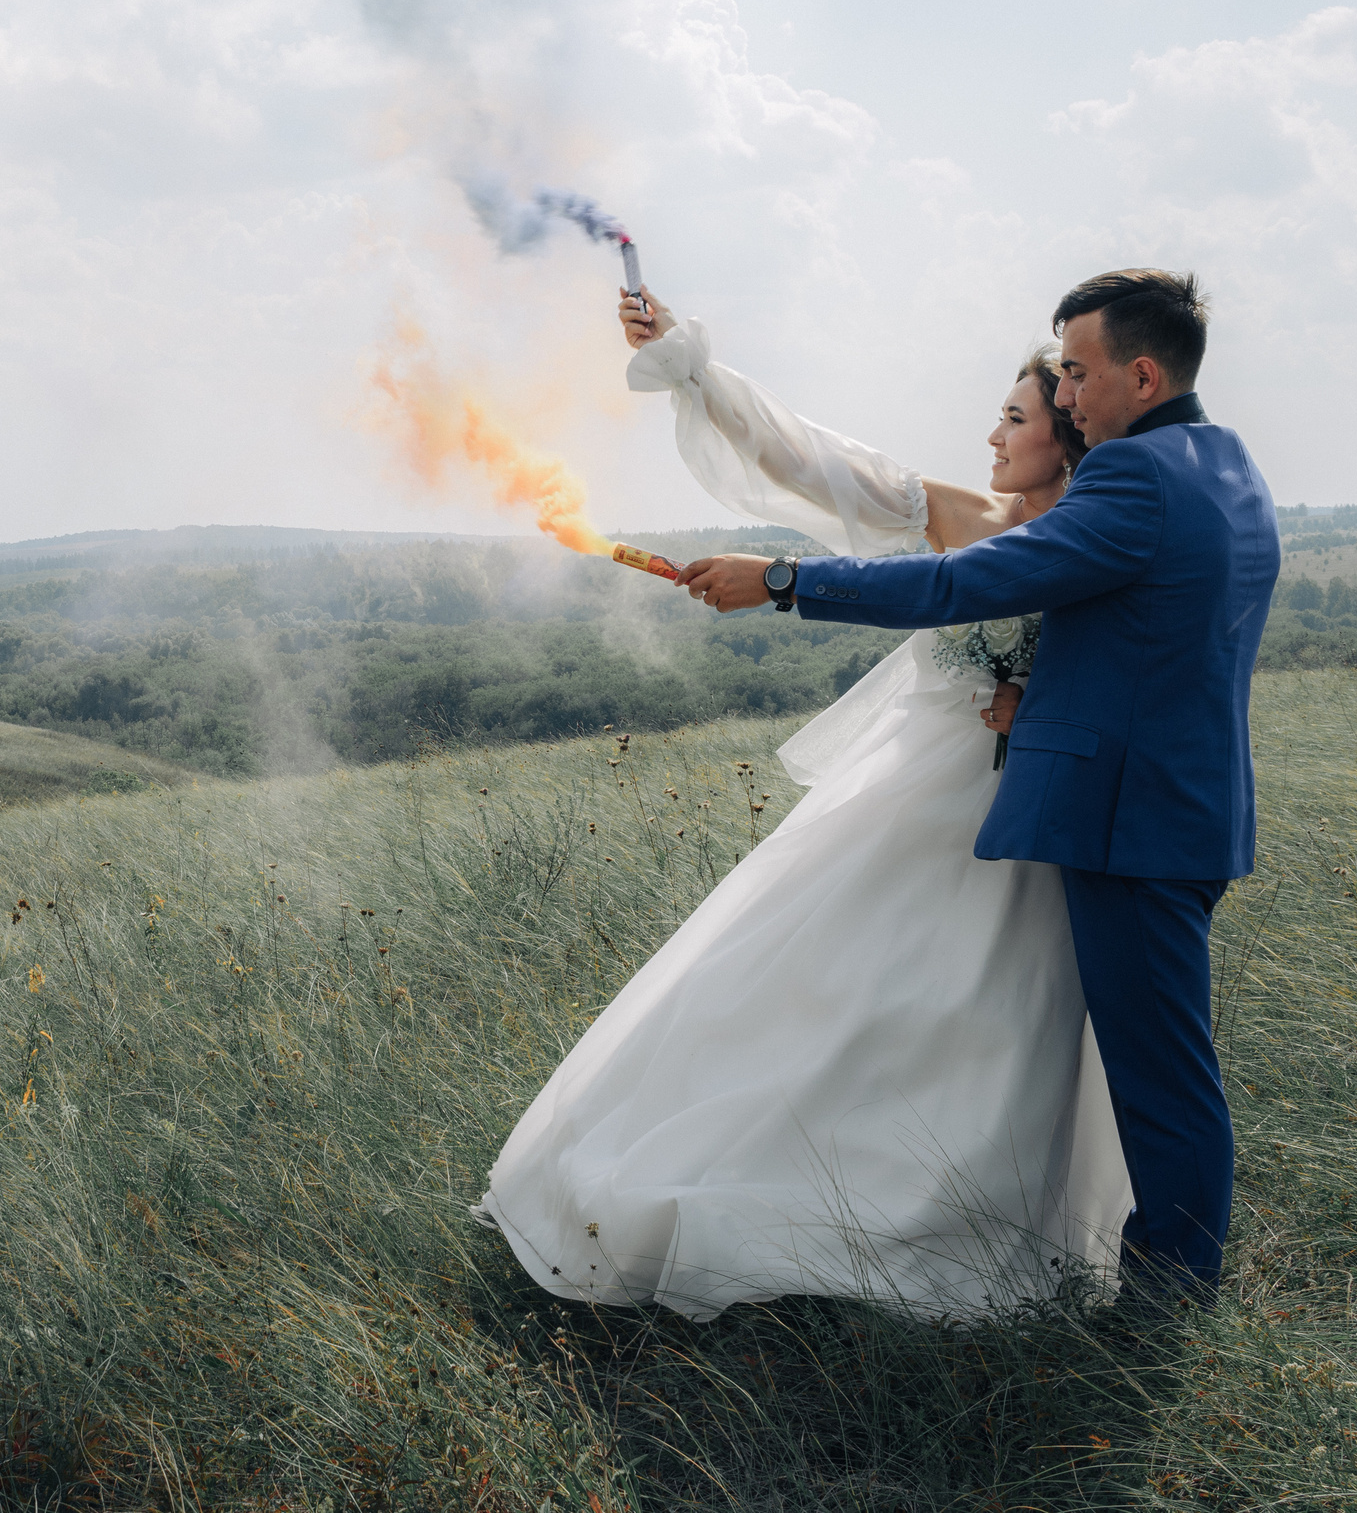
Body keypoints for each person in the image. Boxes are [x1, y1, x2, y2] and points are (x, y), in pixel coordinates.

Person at [476, 293, 1134, 1321]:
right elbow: (812, 457)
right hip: (916, 799)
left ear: (1071, 432)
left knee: (998, 1016)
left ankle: (967, 1225)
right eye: (1000, 416)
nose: (994, 434)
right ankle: (793, 1197)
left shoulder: (1101, 540)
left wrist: (1037, 701)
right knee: (822, 991)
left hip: (1030, 818)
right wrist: (692, 367)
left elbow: (1129, 668)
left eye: (1016, 418)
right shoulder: (961, 517)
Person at [675, 269, 1280, 1312]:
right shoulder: (1223, 462)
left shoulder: (1131, 479)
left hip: (1127, 822)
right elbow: (1151, 648)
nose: (1068, 394)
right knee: (1158, 1063)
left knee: (1161, 1076)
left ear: (1140, 374)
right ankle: (1164, 1276)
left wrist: (784, 581)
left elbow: (966, 583)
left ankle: (1170, 1299)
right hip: (1188, 805)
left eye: (1080, 373)